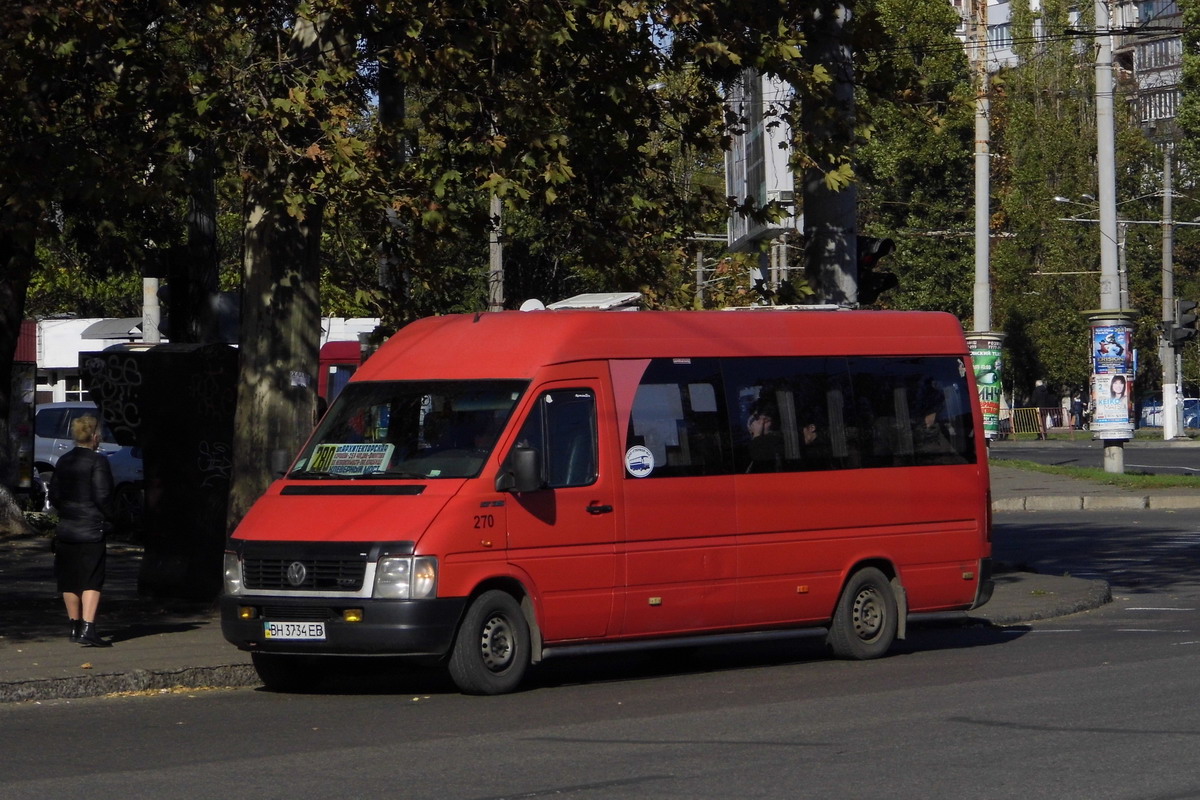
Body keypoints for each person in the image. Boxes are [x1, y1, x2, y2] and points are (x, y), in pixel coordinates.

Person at [48, 415, 114, 647]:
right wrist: (115, 518)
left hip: (66, 528)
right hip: (91, 528)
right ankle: (89, 627)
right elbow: (103, 496)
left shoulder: (64, 461)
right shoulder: (99, 462)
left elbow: (54, 495)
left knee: (69, 580)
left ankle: (75, 627)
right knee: (91, 579)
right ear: (95, 437)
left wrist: (67, 511)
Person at [746, 403, 783, 472]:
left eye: (766, 420)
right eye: (758, 419)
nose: (761, 424)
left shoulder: (776, 441)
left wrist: (756, 436)